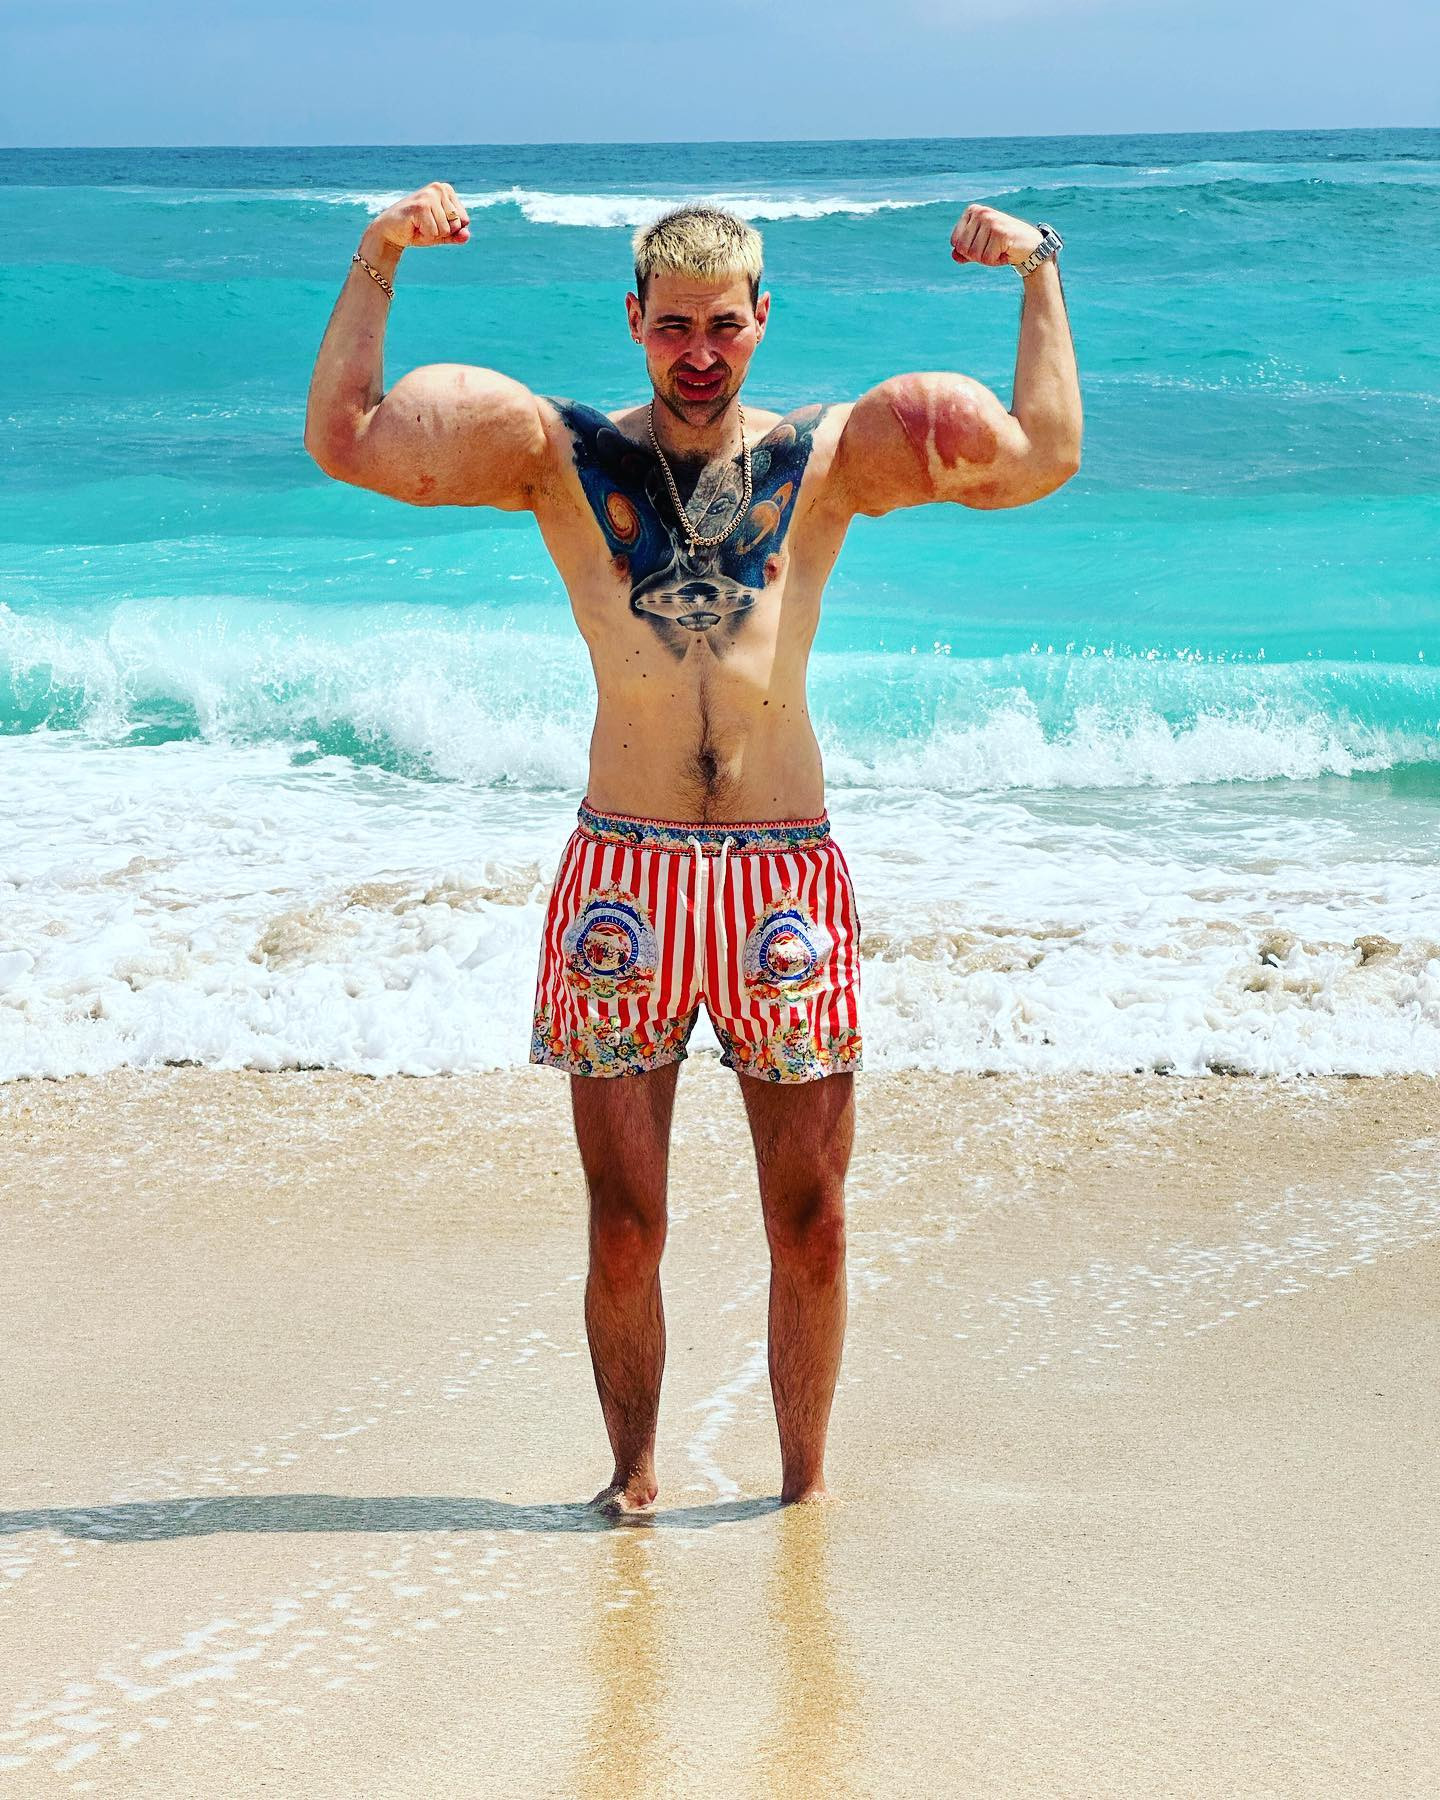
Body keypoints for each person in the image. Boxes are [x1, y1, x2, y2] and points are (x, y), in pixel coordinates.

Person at [304, 182, 1082, 1511]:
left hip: (783, 874)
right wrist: (380, 254)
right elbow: (347, 438)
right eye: (675, 325)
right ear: (635, 322)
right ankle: (634, 1480)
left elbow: (1043, 454)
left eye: (724, 324)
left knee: (812, 1222)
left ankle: (802, 1493)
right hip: (625, 871)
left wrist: (1037, 268)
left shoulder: (831, 455)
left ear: (762, 317)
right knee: (625, 1224)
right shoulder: (558, 454)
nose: (700, 351)